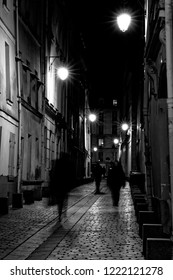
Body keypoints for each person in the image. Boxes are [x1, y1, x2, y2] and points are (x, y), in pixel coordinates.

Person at [49, 153, 76, 222]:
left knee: (59, 201)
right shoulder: (69, 164)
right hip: (64, 185)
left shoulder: (57, 163)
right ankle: (63, 213)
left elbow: (53, 174)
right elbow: (72, 175)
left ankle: (60, 214)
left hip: (58, 185)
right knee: (63, 200)